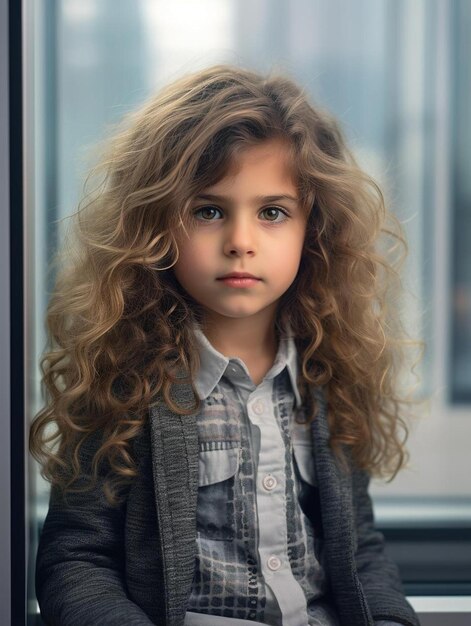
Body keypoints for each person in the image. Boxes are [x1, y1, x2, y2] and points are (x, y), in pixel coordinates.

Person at [30, 64, 421, 626]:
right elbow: (76, 560)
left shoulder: (326, 380)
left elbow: (359, 551)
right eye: (208, 211)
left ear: (314, 229)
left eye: (272, 212)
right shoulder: (123, 381)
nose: (241, 242)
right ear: (155, 224)